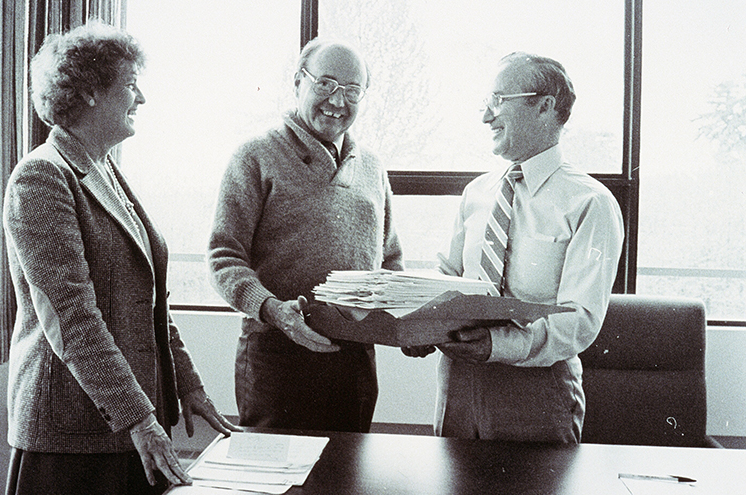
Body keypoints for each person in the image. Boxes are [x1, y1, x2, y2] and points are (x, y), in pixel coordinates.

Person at [2, 21, 238, 495]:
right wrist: (139, 418)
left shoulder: (102, 168)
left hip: (123, 426)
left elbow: (148, 300)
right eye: (131, 85)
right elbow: (73, 319)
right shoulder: (42, 178)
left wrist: (187, 384)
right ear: (90, 92)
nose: (142, 99)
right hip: (71, 439)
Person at [403, 52, 624, 443]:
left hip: (536, 392)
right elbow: (448, 277)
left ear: (544, 106)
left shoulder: (590, 202)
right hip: (457, 387)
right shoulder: (478, 192)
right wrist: (418, 323)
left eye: (499, 101)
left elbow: (580, 318)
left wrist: (498, 344)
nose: (486, 117)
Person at [207, 38, 403, 433]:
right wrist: (273, 309)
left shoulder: (372, 167)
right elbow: (224, 257)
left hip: (355, 361)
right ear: (298, 81)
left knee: (348, 481)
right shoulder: (255, 155)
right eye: (326, 84)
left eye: (352, 91)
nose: (337, 100)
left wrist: (405, 320)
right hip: (277, 354)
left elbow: (390, 259)